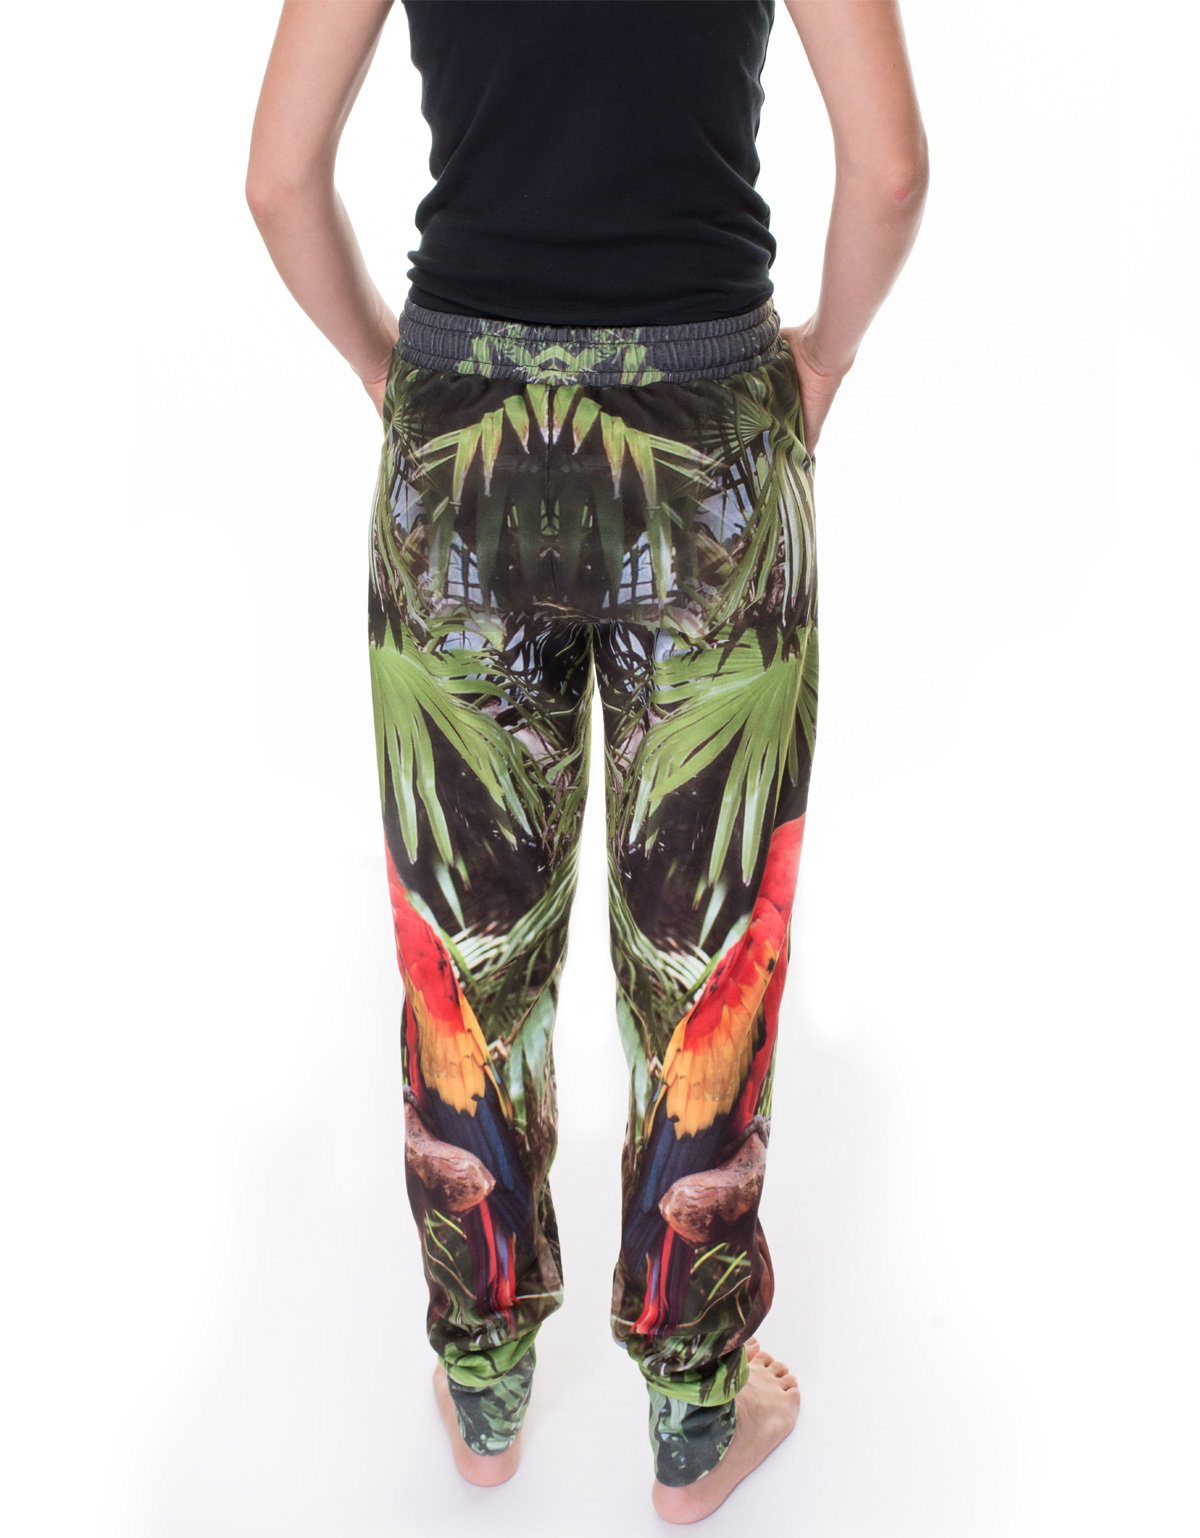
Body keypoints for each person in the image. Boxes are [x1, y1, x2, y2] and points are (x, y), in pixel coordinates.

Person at [246, 0, 927, 1521]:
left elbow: (280, 179)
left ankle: (483, 1390)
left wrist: (394, 374)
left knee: (465, 960)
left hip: (461, 441)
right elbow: (887, 169)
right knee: (707, 964)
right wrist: (824, 358)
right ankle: (695, 1420)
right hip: (713, 447)